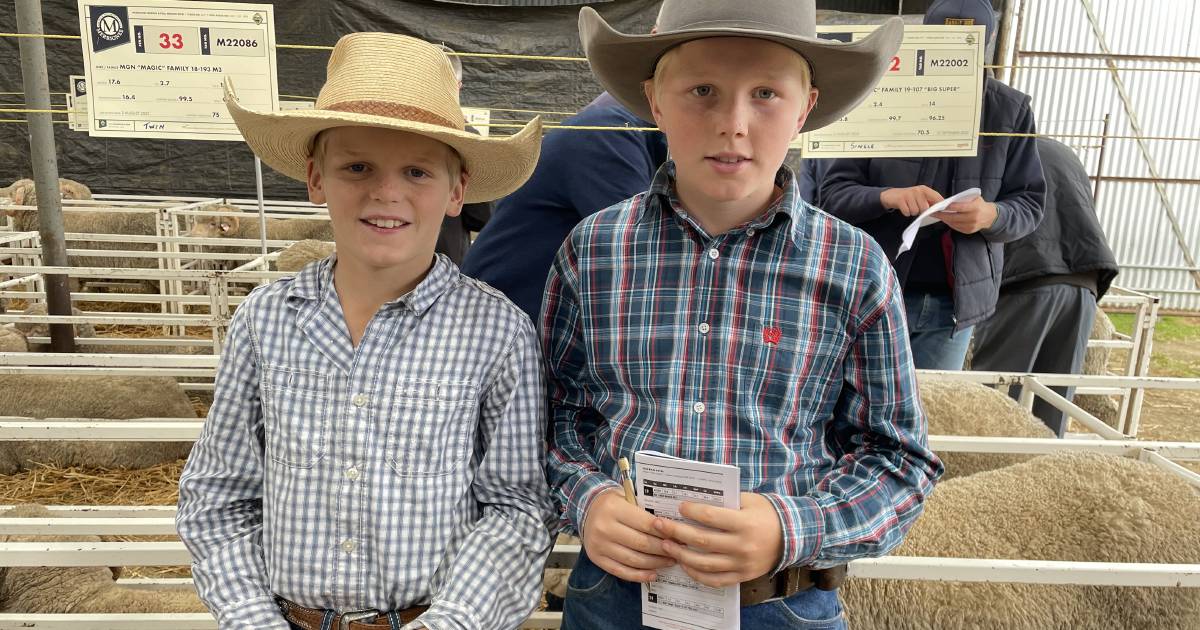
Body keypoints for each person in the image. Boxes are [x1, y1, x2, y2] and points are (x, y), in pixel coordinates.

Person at [544, 1, 943, 628]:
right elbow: (555, 419)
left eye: (765, 93)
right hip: (615, 601)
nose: (733, 123)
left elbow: (898, 461)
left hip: (782, 602)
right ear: (654, 100)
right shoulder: (592, 252)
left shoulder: (855, 267)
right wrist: (588, 500)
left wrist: (790, 527)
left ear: (806, 105)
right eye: (702, 90)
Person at [176, 33, 553, 630]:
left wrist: (450, 623)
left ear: (457, 191)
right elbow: (219, 496)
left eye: (417, 171)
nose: (386, 192)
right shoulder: (266, 320)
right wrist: (253, 618)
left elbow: (517, 504)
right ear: (316, 178)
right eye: (357, 167)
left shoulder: (497, 332)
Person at [820, 0, 1046, 370]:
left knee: (934, 414)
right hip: (875, 294)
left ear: (986, 42)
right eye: (944, 41)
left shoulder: (1008, 110)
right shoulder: (882, 96)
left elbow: (1030, 203)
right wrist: (888, 197)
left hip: (954, 306)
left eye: (969, 43)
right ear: (924, 37)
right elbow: (832, 194)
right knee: (862, 410)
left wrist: (991, 215)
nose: (956, 55)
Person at [461, 92, 667, 321]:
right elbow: (650, 250)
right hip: (497, 327)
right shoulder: (606, 132)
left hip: (521, 320)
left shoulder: (620, 133)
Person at [971, 137, 1119, 437]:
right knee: (1054, 401)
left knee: (995, 399)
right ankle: (1041, 466)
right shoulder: (1063, 151)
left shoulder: (993, 149)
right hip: (1083, 281)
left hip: (1025, 278)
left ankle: (989, 471)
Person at [433, 44, 493, 265]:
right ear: (458, 86)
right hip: (446, 266)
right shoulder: (467, 137)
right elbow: (481, 216)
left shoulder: (390, 132)